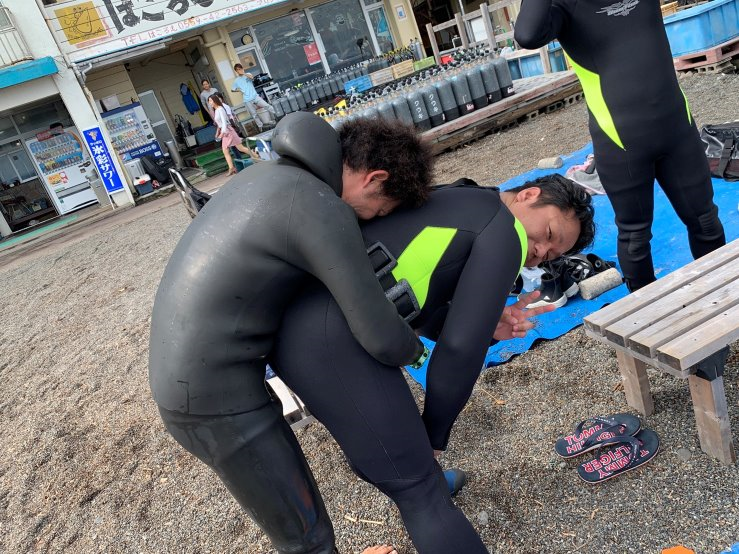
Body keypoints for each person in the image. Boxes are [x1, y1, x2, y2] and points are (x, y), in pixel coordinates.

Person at [149, 112, 433, 554]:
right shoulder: (319, 207)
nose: (372, 218)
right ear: (375, 179)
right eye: (380, 210)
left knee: (297, 511)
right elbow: (380, 335)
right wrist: (419, 348)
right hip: (210, 403)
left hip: (187, 379)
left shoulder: (267, 174)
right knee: (304, 537)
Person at [271, 174, 596, 553]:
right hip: (329, 336)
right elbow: (459, 350)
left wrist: (489, 329)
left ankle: (409, 470)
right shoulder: (505, 232)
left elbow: (420, 307)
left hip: (307, 324)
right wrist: (434, 436)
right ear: (529, 194)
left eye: (552, 255)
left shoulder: (468, 198)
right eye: (548, 233)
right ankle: (422, 482)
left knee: (390, 450)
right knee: (418, 488)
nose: (539, 250)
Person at [513, 0, 725, 292]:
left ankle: (724, 300)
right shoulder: (564, 4)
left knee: (705, 220)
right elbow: (527, 35)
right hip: (619, 140)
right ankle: (649, 316)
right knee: (636, 236)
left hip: (677, 127)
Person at [208, 93, 253, 176]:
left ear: (215, 100)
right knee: (225, 150)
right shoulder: (216, 110)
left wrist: (221, 134)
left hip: (229, 132)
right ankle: (231, 168)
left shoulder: (220, 109)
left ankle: (256, 155)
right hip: (225, 133)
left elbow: (224, 123)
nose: (210, 102)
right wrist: (218, 132)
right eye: (209, 101)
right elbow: (220, 124)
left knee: (240, 148)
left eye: (211, 101)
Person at [231, 63, 276, 131]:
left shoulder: (248, 74)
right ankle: (261, 127)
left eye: (240, 68)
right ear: (236, 71)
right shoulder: (236, 81)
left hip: (255, 96)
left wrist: (243, 73)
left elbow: (252, 78)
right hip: (247, 100)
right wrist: (239, 90)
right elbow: (232, 90)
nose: (239, 70)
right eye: (237, 70)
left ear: (242, 68)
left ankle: (278, 114)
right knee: (254, 114)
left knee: (267, 106)